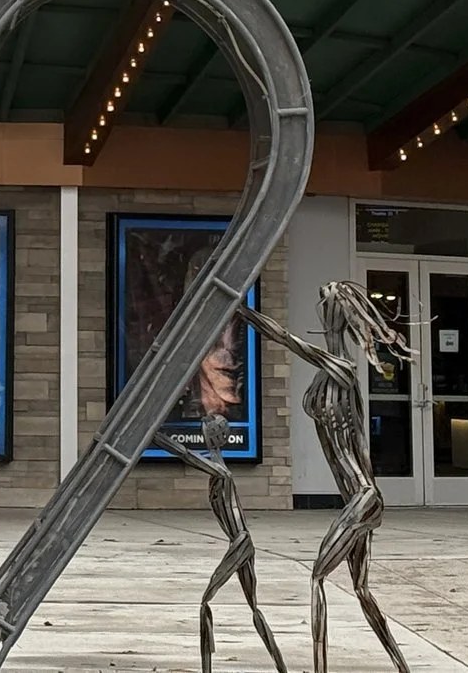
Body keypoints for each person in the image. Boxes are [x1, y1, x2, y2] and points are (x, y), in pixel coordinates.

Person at [237, 281, 411, 673]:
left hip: (362, 496)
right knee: (361, 589)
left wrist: (241, 311)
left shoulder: (342, 368)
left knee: (318, 577)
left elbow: (286, 339)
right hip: (358, 496)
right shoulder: (331, 373)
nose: (323, 305)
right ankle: (401, 665)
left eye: (329, 300)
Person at [164, 407, 289, 673]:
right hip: (241, 542)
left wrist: (154, 437)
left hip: (241, 541)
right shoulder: (219, 468)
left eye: (208, 431)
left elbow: (185, 454)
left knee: (207, 601)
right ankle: (280, 665)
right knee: (253, 608)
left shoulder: (221, 471)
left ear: (214, 436)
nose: (204, 434)